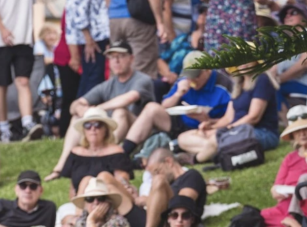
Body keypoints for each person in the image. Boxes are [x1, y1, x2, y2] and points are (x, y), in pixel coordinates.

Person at [50, 40, 154, 180]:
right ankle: (61, 166)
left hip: (139, 135)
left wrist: (97, 109)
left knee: (120, 111)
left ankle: (106, 155)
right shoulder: (108, 84)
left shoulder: (143, 79)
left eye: (121, 56)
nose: (116, 61)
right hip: (113, 131)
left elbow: (128, 98)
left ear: (131, 58)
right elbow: (74, 105)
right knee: (77, 118)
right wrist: (83, 110)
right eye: (112, 57)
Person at [120, 53, 232, 158]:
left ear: (207, 70)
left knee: (192, 139)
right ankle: (123, 153)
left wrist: (209, 120)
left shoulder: (224, 86)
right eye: (189, 75)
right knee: (151, 108)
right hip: (181, 122)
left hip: (206, 128)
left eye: (196, 75)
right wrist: (178, 94)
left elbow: (231, 118)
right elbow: (164, 106)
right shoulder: (183, 81)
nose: (192, 79)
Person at [176, 57, 280, 164]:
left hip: (261, 132)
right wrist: (211, 125)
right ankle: (215, 151)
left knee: (216, 140)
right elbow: (228, 118)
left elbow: (253, 117)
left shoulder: (262, 79)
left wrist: (227, 130)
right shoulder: (239, 84)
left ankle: (196, 158)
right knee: (182, 138)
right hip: (236, 130)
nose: (243, 64)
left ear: (256, 61)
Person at [0, 0, 43, 141]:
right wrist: (2, 28)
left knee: (23, 81)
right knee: (0, 84)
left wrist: (31, 34)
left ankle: (27, 124)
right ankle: (4, 128)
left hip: (24, 38)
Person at [58, 108, 134, 204]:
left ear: (105, 129)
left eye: (98, 125)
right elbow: (73, 189)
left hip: (109, 202)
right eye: (88, 125)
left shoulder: (116, 151)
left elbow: (122, 183)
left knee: (101, 177)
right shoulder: (76, 153)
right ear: (84, 131)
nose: (92, 129)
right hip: (82, 203)